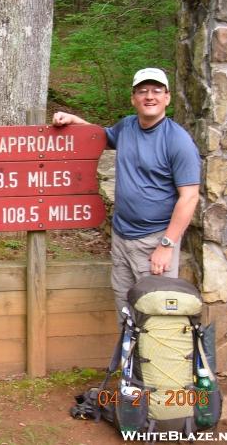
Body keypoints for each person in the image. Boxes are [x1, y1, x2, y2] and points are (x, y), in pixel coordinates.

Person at [52, 68, 201, 324]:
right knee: (125, 311)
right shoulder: (127, 126)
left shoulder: (178, 141)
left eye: (156, 91)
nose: (149, 96)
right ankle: (129, 363)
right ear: (134, 98)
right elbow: (100, 138)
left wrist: (166, 246)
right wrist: (75, 121)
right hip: (121, 238)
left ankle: (153, 365)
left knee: (155, 317)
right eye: (143, 91)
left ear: (167, 97)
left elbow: (189, 197)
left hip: (154, 241)